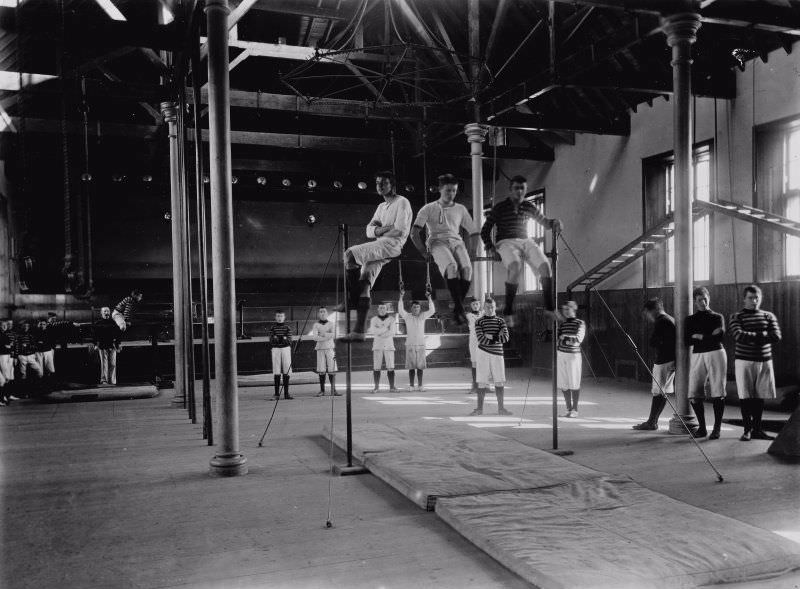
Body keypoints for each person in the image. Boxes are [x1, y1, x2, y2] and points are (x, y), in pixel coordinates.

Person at [339, 171, 413, 342]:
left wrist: (380, 230)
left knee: (350, 255)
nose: (380, 186)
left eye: (384, 183)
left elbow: (400, 230)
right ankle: (359, 332)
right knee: (365, 283)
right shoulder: (381, 207)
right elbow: (369, 230)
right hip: (381, 244)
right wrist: (383, 228)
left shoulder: (402, 202)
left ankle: (352, 299)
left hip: (392, 245)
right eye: (378, 183)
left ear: (392, 185)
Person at [480, 175, 563, 324]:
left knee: (545, 267)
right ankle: (508, 311)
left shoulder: (529, 206)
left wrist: (555, 222)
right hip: (506, 242)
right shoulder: (500, 207)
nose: (519, 191)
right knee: (515, 266)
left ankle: (550, 309)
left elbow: (545, 222)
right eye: (516, 188)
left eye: (522, 188)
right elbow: (485, 230)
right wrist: (490, 248)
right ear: (510, 190)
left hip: (526, 241)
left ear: (525, 190)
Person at [410, 173, 478, 324]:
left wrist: (473, 251)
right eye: (448, 190)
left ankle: (458, 309)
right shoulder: (428, 208)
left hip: (456, 241)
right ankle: (459, 309)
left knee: (467, 269)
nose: (451, 194)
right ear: (440, 189)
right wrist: (422, 251)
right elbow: (414, 233)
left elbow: (474, 232)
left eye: (454, 190)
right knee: (452, 267)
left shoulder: (460, 209)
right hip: (437, 241)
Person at [729, 285, 782, 442]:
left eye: (757, 298)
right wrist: (763, 335)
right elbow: (738, 335)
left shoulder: (768, 316)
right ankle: (747, 430)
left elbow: (776, 336)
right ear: (744, 299)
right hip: (744, 361)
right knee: (746, 396)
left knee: (759, 397)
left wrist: (752, 336)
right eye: (751, 298)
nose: (754, 301)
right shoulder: (737, 316)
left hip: (764, 361)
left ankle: (757, 430)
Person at [686, 287, 727, 439]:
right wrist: (709, 335)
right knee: (693, 393)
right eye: (699, 300)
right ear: (695, 302)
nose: (703, 302)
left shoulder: (717, 317)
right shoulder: (690, 319)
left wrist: (699, 336)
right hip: (697, 354)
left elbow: (720, 337)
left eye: (705, 299)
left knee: (718, 391)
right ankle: (702, 428)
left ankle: (717, 429)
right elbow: (687, 340)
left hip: (717, 353)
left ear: (708, 298)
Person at [633, 298, 676, 431]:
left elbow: (653, 341)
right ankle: (653, 421)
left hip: (664, 360)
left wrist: (657, 342)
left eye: (647, 313)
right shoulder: (670, 318)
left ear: (654, 310)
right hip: (671, 359)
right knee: (663, 392)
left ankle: (652, 422)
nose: (647, 317)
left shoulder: (661, 321)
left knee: (658, 392)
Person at [471, 298, 511, 416]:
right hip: (483, 354)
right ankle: (479, 409)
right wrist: (496, 337)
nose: (490, 309)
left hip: (498, 354)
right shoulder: (479, 321)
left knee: (499, 381)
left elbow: (506, 338)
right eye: (488, 307)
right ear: (484, 307)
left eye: (492, 307)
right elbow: (481, 339)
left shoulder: (501, 321)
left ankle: (501, 409)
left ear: (495, 307)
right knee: (482, 381)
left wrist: (490, 337)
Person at [398, 292, 435, 391]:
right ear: (411, 308)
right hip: (410, 344)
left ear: (420, 308)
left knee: (420, 366)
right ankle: (411, 386)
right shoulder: (407, 316)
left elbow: (432, 310)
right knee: (411, 367)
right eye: (414, 307)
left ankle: (420, 385)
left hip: (421, 344)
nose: (416, 309)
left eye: (418, 307)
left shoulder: (423, 316)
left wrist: (429, 299)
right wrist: (401, 297)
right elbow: (400, 310)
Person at [557, 301, 586, 418]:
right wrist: (565, 339)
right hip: (561, 354)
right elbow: (558, 338)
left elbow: (578, 339)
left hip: (573, 356)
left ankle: (575, 409)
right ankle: (568, 408)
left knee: (574, 382)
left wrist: (565, 338)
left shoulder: (580, 323)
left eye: (567, 309)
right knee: (563, 383)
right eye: (564, 310)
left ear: (573, 309)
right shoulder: (562, 324)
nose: (565, 312)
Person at [309, 307, 339, 397]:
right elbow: (314, 337)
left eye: (324, 311)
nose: (322, 313)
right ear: (318, 314)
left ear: (327, 313)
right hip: (320, 348)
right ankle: (322, 390)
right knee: (321, 369)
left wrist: (323, 334)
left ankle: (333, 390)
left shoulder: (331, 324)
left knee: (332, 368)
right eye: (320, 312)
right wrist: (328, 336)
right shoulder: (316, 325)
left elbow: (335, 335)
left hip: (330, 348)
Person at [369, 303, 398, 393]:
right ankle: (376, 387)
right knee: (376, 367)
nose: (382, 309)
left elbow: (392, 332)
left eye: (384, 308)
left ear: (386, 309)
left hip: (389, 346)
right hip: (377, 346)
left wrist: (380, 331)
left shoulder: (392, 319)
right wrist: (386, 328)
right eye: (380, 307)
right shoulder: (374, 319)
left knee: (390, 367)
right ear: (378, 309)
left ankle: (392, 387)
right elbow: (373, 331)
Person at [92, 307, 121, 386]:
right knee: (104, 364)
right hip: (102, 345)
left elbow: (118, 334)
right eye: (105, 311)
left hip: (112, 345)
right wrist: (95, 344)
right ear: (101, 313)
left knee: (112, 364)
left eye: (108, 311)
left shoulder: (113, 322)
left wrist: (118, 344)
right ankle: (104, 380)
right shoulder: (98, 323)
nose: (106, 312)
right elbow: (95, 336)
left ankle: (112, 380)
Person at [268, 310, 293, 400]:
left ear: (284, 317)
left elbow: (289, 341)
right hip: (276, 350)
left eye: (281, 316)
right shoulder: (273, 328)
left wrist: (278, 338)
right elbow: (271, 340)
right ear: (275, 317)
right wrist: (283, 338)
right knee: (276, 370)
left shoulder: (287, 328)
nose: (279, 318)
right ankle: (276, 394)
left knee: (287, 370)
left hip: (286, 350)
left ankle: (286, 393)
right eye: (278, 316)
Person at [15, 321, 42, 393]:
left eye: (27, 326)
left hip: (30, 356)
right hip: (22, 356)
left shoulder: (31, 336)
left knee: (39, 371)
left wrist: (27, 346)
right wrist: (17, 355)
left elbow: (35, 346)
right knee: (23, 374)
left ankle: (37, 389)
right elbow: (16, 346)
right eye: (24, 326)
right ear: (21, 327)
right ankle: (24, 391)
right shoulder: (18, 336)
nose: (26, 327)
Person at [465, 298, 483, 393]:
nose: (475, 306)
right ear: (471, 306)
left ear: (479, 305)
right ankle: (475, 386)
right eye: (473, 304)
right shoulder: (468, 315)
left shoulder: (484, 314)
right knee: (474, 362)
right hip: (473, 341)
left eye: (477, 304)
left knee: (483, 363)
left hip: (483, 341)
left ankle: (484, 385)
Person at [0, 319, 13, 405]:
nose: (5, 327)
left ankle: (4, 397)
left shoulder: (5, 335)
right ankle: (2, 398)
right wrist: (7, 346)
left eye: (6, 325)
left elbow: (10, 346)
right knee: (4, 378)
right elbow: (5, 346)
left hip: (7, 356)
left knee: (6, 379)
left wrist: (8, 346)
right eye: (2, 325)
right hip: (2, 356)